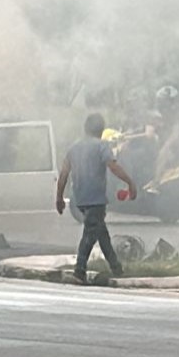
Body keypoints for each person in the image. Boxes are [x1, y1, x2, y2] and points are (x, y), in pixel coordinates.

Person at [56, 112, 137, 284]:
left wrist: (59, 198)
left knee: (101, 234)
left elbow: (63, 174)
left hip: (80, 199)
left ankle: (116, 268)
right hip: (96, 198)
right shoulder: (102, 146)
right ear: (101, 130)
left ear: (85, 128)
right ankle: (79, 271)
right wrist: (130, 182)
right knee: (89, 235)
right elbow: (113, 167)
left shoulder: (74, 148)